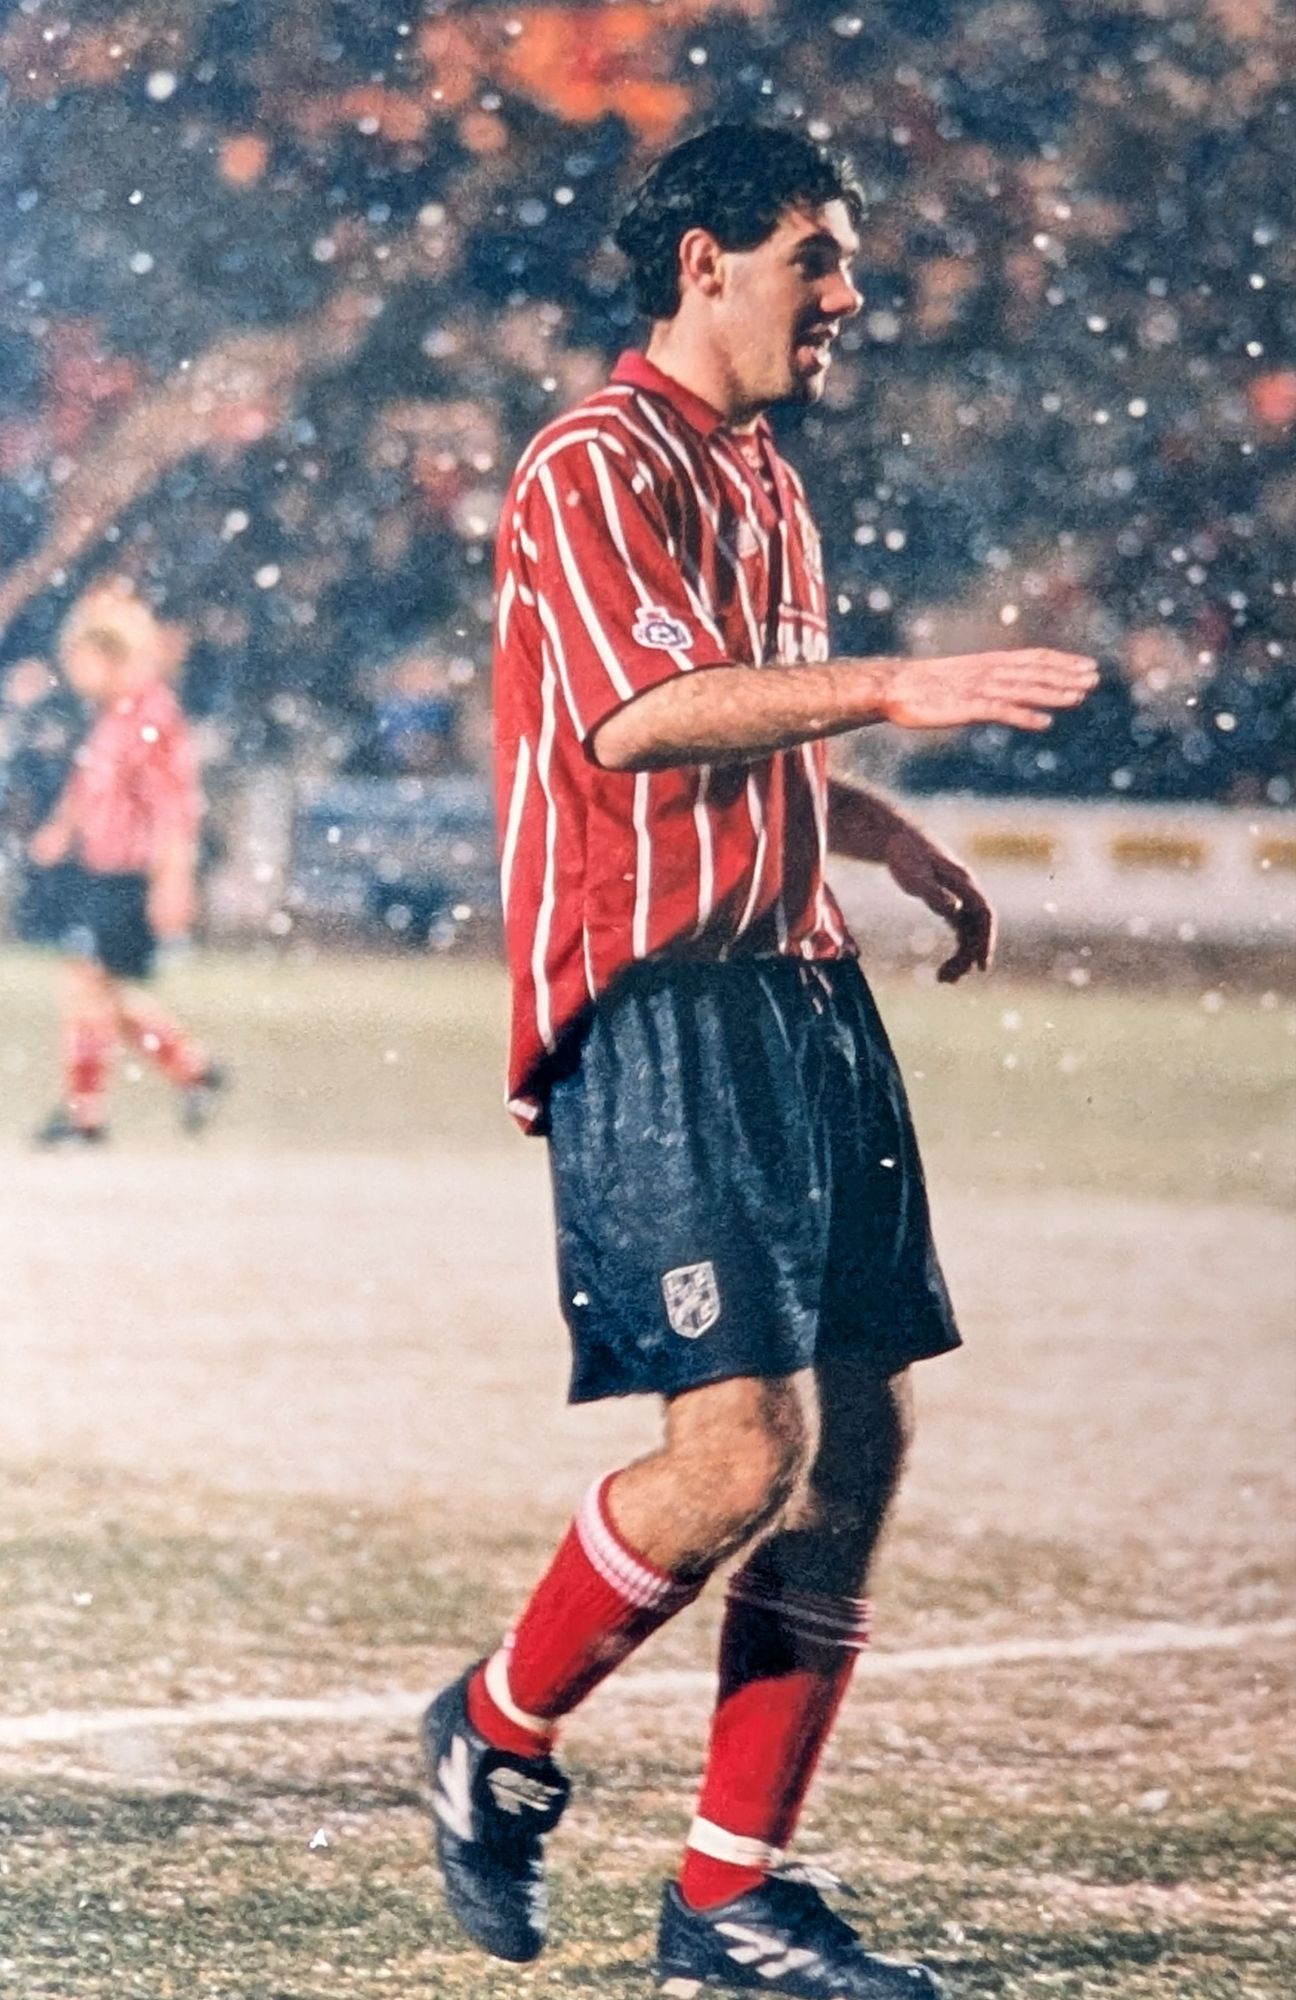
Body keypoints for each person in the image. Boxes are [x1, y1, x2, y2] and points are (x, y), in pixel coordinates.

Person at [422, 123, 1098, 1998]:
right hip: (661, 999)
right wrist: (894, 684)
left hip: (800, 989)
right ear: (704, 261)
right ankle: (495, 1723)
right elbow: (640, 718)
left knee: (860, 1443)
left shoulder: (769, 482)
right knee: (739, 1457)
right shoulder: (591, 460)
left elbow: (750, 727)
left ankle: (729, 1899)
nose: (849, 294)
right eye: (818, 256)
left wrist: (869, 827)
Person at [27, 585, 226, 1145]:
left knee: (87, 983)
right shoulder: (114, 713)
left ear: (106, 656)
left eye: (79, 659)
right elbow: (89, 783)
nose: (72, 673)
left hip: (131, 876)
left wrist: (172, 879)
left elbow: (173, 806)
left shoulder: (152, 714)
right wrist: (61, 829)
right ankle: (193, 1069)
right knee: (101, 991)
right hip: (104, 869)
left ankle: (87, 1113)